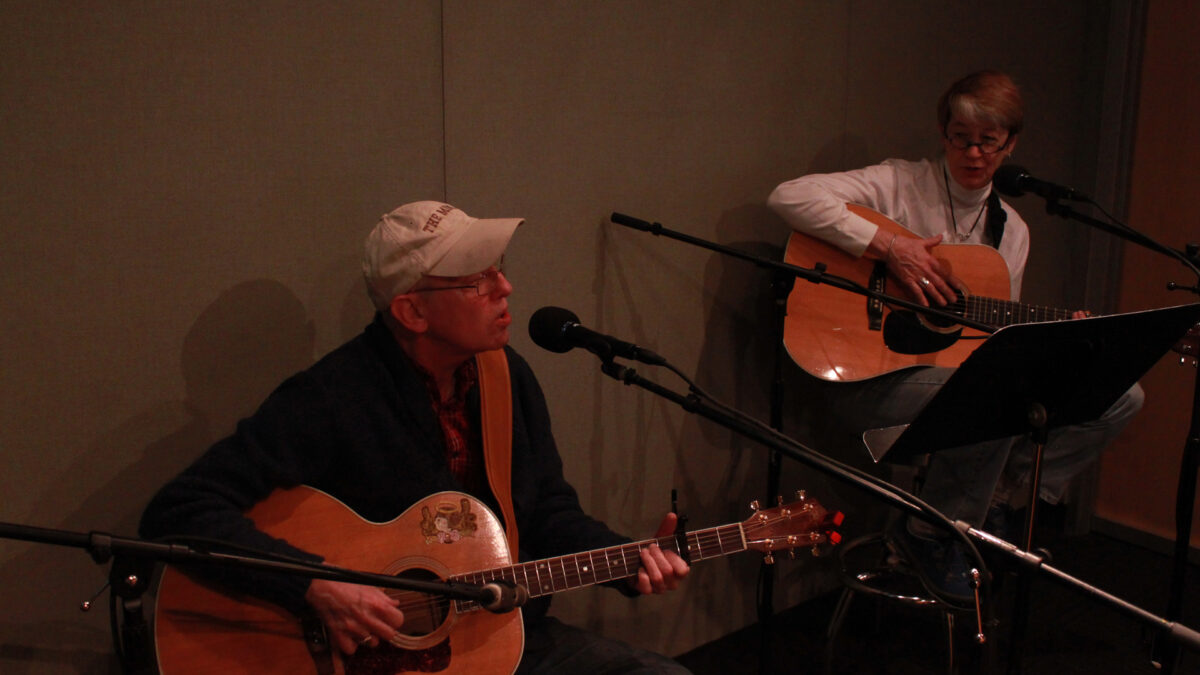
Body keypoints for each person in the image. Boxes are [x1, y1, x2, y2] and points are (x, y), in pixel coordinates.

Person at [140, 200, 691, 673]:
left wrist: (630, 559)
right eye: (477, 280)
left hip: (496, 638)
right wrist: (314, 586)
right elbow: (181, 509)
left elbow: (545, 509)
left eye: (498, 269)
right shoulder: (332, 396)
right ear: (412, 311)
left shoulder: (505, 376)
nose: (505, 288)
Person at [766, 70, 1143, 599]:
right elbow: (789, 196)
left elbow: (990, 339)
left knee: (1121, 395)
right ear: (943, 134)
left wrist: (1062, 340)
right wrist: (889, 247)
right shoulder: (899, 184)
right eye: (961, 138)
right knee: (997, 392)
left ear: (1010, 145)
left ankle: (997, 500)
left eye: (988, 141)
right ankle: (930, 534)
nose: (973, 153)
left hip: (944, 383)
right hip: (864, 382)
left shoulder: (1011, 231)